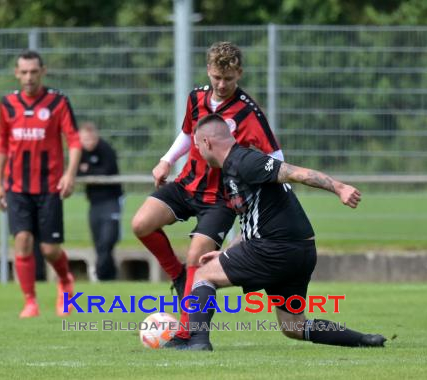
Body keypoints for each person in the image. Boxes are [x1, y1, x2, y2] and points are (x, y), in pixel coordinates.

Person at [177, 113, 387, 351]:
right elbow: (252, 222)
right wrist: (225, 253)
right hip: (300, 252)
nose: (199, 154)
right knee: (293, 327)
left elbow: (296, 173)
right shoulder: (232, 171)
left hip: (273, 249)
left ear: (207, 143)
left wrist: (339, 187)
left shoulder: (245, 161)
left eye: (197, 147)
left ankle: (197, 342)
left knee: (203, 275)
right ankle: (363, 340)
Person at [131, 41, 283, 342]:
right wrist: (166, 160)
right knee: (141, 224)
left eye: (228, 78)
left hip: (221, 200)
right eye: (216, 77)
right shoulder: (196, 98)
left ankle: (189, 333)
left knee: (197, 258)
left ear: (239, 73)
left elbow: (276, 158)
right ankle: (177, 276)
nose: (222, 84)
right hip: (187, 184)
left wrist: (266, 195)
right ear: (209, 72)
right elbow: (188, 133)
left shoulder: (249, 112)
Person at [0, 50, 81, 318]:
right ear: (16, 73)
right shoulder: (7, 104)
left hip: (49, 186)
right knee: (22, 240)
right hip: (17, 186)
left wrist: (69, 174)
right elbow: (1, 145)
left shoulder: (57, 102)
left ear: (42, 71)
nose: (29, 77)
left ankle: (65, 280)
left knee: (49, 249)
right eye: (24, 72)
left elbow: (74, 140)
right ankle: (30, 301)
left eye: (34, 71)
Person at [77, 121, 124, 281]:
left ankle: (98, 272)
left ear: (96, 137)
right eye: (84, 140)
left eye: (90, 139)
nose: (88, 143)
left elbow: (107, 171)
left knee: (108, 240)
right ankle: (108, 277)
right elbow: (77, 172)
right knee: (99, 243)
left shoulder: (106, 150)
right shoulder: (79, 152)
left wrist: (88, 170)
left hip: (111, 201)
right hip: (94, 203)